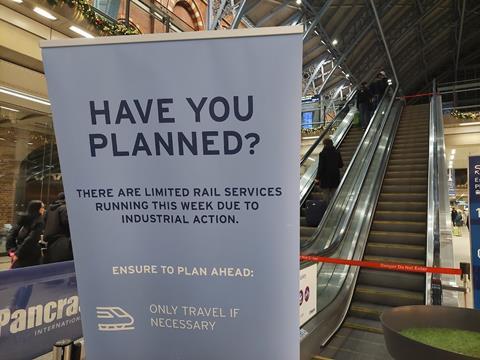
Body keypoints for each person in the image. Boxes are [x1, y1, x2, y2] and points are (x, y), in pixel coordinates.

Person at [6, 200, 45, 268]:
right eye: (42, 207)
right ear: (37, 208)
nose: (44, 209)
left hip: (18, 254)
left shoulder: (23, 219)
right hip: (31, 258)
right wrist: (17, 254)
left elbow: (11, 234)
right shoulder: (39, 222)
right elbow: (31, 239)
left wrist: (12, 251)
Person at [43, 192, 73, 263]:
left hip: (50, 243)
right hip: (62, 243)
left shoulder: (49, 210)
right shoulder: (64, 208)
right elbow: (67, 223)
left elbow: (44, 222)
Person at [316, 137, 344, 202]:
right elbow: (341, 165)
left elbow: (321, 167)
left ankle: (328, 210)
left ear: (325, 144)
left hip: (325, 178)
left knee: (326, 194)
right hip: (335, 176)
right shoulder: (337, 152)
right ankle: (334, 208)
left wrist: (317, 177)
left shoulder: (322, 154)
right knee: (334, 194)